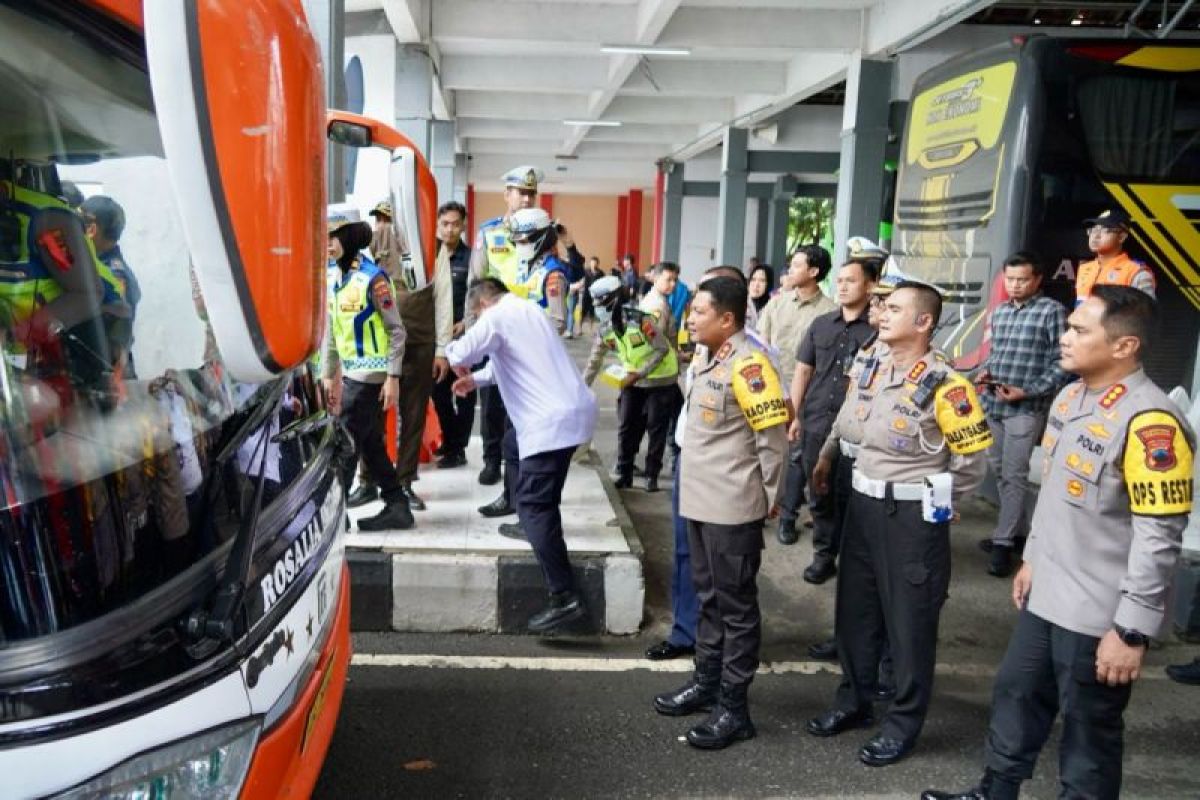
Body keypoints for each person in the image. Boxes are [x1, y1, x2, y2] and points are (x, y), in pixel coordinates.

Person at [923, 286, 1194, 800]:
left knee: (1089, 732)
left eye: (1078, 330)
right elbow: (1054, 497)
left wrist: (1131, 631)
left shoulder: (1151, 422)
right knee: (1016, 695)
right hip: (1048, 594)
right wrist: (1031, 561)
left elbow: (1159, 538)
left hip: (1099, 614)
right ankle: (995, 791)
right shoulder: (1072, 396)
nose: (1064, 339)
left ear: (1124, 346)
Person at [806, 282, 992, 768]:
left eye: (895, 308)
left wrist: (935, 502)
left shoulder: (948, 385)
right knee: (856, 614)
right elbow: (850, 417)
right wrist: (826, 454)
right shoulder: (871, 362)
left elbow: (973, 461)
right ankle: (853, 701)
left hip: (911, 518)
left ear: (925, 322)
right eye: (883, 306)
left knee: (909, 624)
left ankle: (903, 724)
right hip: (863, 506)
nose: (882, 313)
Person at [652, 276, 787, 750]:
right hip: (700, 499)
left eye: (700, 312)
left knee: (736, 607)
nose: (691, 318)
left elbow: (772, 440)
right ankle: (706, 683)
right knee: (707, 596)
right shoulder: (709, 357)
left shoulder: (750, 366)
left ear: (727, 319)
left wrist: (767, 497)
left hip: (732, 504)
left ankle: (735, 707)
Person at [446, 278, 597, 634]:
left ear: (481, 304)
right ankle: (524, 514)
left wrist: (452, 355)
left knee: (536, 506)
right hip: (568, 413)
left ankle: (565, 597)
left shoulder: (496, 316)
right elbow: (510, 360)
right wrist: (476, 380)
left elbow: (461, 352)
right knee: (513, 447)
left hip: (549, 424)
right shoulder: (530, 310)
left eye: (474, 315)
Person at [350, 198, 453, 513]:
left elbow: (444, 298)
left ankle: (405, 481)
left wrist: (442, 350)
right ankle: (367, 481)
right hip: (380, 345)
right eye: (379, 219)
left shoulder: (432, 248)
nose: (383, 225)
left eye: (387, 219)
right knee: (371, 415)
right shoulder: (368, 248)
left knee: (413, 413)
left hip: (420, 341)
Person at [974, 252, 1069, 577]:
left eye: (1022, 279)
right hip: (993, 404)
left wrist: (1028, 391)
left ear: (1037, 280)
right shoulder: (1000, 313)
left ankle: (1003, 544)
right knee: (1000, 471)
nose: (1014, 285)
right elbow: (996, 354)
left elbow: (1063, 363)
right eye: (1010, 279)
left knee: (1014, 474)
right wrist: (984, 374)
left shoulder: (1052, 312)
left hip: (1026, 408)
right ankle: (1015, 532)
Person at [787, 257, 878, 585]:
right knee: (820, 491)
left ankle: (855, 561)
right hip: (816, 421)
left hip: (860, 429)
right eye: (838, 280)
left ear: (870, 285)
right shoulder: (821, 324)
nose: (841, 286)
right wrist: (794, 414)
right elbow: (803, 370)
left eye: (850, 281)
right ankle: (824, 556)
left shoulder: (880, 329)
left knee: (855, 497)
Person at [321, 209, 413, 532]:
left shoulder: (374, 279)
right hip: (350, 375)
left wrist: (392, 377)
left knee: (345, 444)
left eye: (334, 236)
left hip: (370, 377)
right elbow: (332, 331)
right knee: (371, 443)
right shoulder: (333, 276)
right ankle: (397, 504)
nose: (328, 243)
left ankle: (334, 514)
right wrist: (327, 373)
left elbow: (397, 331)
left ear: (348, 237)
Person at [476, 207, 571, 520]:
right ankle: (514, 498)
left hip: (538, 368)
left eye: (525, 238)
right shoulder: (521, 268)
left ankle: (529, 507)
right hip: (518, 363)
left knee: (524, 442)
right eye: (516, 239)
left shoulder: (553, 274)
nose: (519, 244)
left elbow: (557, 321)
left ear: (542, 238)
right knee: (512, 437)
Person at [468, 165, 542, 487]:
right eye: (520, 192)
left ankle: (521, 462)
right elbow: (475, 283)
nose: (526, 198)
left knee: (524, 400)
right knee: (492, 402)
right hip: (494, 329)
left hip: (527, 332)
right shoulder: (489, 233)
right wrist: (473, 332)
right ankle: (491, 460)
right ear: (507, 195)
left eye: (531, 193)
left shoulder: (542, 232)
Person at [759, 245, 837, 544]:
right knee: (767, 451)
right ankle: (765, 505)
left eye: (796, 266)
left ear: (814, 272)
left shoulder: (829, 312)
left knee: (797, 456)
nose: (789, 271)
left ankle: (788, 516)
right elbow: (761, 341)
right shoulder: (777, 304)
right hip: (771, 389)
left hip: (807, 394)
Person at [582, 276, 679, 493]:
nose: (597, 307)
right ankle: (624, 473)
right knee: (626, 426)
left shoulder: (642, 320)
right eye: (595, 302)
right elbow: (594, 361)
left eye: (601, 302)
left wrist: (641, 373)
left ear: (615, 299)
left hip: (660, 380)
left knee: (656, 428)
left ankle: (651, 475)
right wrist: (580, 388)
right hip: (632, 380)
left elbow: (662, 349)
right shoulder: (605, 328)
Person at [430, 201, 474, 469]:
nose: (449, 229)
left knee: (465, 394)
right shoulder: (431, 256)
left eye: (455, 224)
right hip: (437, 340)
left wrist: (465, 323)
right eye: (445, 224)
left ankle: (458, 448)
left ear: (463, 225)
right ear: (437, 224)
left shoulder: (470, 258)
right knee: (439, 391)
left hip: (465, 338)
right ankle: (452, 440)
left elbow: (479, 296)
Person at [81, 195, 141, 377]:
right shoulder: (99, 266)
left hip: (108, 377)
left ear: (91, 229)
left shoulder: (112, 275)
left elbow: (112, 330)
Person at [1075, 209, 1155, 304]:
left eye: (1105, 230)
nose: (1096, 235)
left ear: (1121, 237)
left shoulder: (1135, 271)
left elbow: (1146, 313)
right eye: (1093, 230)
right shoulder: (1085, 268)